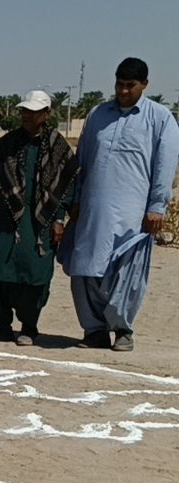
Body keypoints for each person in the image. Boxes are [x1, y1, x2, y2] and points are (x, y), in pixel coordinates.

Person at [59, 57, 179, 352]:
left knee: (126, 272)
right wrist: (75, 200)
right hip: (92, 209)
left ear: (145, 85)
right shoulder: (98, 114)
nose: (123, 91)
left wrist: (157, 207)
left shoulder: (161, 118)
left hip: (134, 214)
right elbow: (82, 160)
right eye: (119, 84)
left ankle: (122, 329)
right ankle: (94, 330)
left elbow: (165, 168)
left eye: (130, 86)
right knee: (85, 268)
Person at [0, 90, 77, 346]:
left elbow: (67, 186)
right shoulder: (8, 143)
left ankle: (29, 327)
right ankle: (0, 327)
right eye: (24, 111)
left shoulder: (58, 147)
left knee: (35, 274)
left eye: (33, 112)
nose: (26, 116)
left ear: (46, 114)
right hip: (6, 218)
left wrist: (59, 220)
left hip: (41, 222)